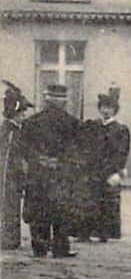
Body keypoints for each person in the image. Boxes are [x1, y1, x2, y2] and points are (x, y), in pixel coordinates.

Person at [19, 83, 83, 257]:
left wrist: (40, 160)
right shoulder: (73, 123)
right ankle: (60, 248)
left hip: (38, 173)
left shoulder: (30, 122)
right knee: (61, 210)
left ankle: (39, 247)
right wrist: (60, 161)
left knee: (39, 210)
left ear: (46, 100)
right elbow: (77, 149)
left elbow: (23, 148)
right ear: (64, 102)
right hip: (61, 174)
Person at [84, 91, 130, 241]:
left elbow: (122, 153)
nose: (105, 111)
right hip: (94, 170)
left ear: (114, 110)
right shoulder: (94, 126)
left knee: (109, 202)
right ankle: (89, 232)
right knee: (91, 200)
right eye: (103, 107)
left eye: (109, 108)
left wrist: (117, 172)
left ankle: (106, 233)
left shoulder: (120, 129)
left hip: (110, 171)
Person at [1, 82, 32, 250]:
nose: (24, 116)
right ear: (15, 113)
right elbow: (6, 158)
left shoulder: (15, 129)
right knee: (8, 206)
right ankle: (8, 239)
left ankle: (11, 238)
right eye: (22, 112)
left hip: (14, 176)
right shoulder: (9, 130)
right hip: (8, 177)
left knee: (12, 207)